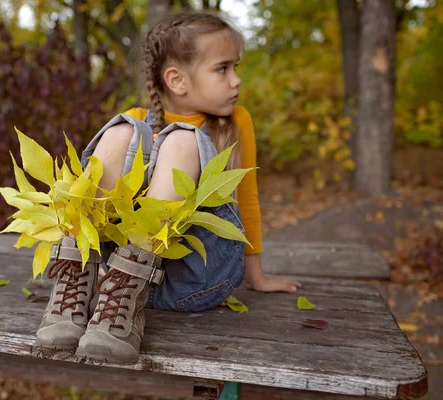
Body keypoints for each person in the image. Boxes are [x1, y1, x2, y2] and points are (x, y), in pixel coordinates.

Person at [36, 11, 302, 365]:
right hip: (115, 283)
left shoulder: (236, 123)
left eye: (235, 68)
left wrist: (257, 277)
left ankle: (119, 295)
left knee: (183, 141)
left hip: (197, 279)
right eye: (223, 69)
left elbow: (247, 198)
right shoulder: (139, 121)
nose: (236, 80)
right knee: (119, 130)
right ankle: (77, 286)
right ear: (177, 79)